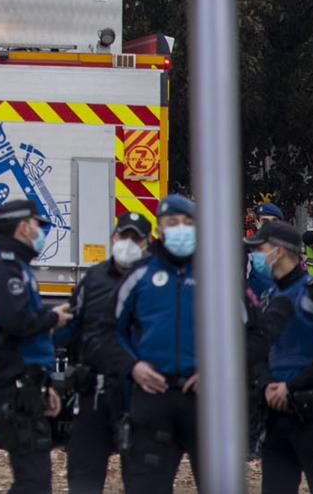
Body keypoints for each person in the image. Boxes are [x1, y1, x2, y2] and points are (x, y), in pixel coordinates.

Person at [0, 197, 70, 494]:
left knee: (34, 480)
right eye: (38, 225)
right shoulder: (4, 269)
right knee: (33, 481)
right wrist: (52, 318)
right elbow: (16, 322)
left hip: (25, 384)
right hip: (9, 385)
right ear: (23, 227)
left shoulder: (20, 268)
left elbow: (29, 339)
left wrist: (44, 384)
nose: (41, 232)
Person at [247, 219, 313, 493]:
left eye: (260, 248)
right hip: (277, 416)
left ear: (278, 252)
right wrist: (268, 384)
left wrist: (291, 387)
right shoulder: (268, 297)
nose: (255, 255)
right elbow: (259, 351)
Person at [112, 192, 200, 493]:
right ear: (159, 229)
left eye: (187, 222)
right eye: (172, 222)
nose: (180, 228)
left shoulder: (217, 275)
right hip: (152, 398)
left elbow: (249, 333)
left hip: (204, 400)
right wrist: (132, 366)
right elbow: (109, 331)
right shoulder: (139, 276)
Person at [65, 209, 151, 494]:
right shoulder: (93, 279)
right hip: (96, 389)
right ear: (113, 237)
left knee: (142, 478)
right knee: (84, 476)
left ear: (147, 243)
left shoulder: (154, 280)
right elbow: (71, 327)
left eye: (135, 238)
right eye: (123, 235)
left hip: (139, 392)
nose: (128, 242)